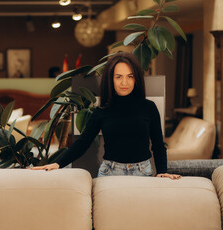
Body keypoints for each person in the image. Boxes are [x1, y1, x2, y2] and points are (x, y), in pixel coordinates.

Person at [32, 52, 181, 180]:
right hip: (110, 172)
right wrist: (57, 163)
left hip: (142, 172)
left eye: (130, 76)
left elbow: (158, 144)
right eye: (118, 77)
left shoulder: (149, 107)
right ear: (110, 79)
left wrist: (162, 172)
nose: (125, 82)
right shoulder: (101, 111)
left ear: (136, 79)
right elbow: (83, 142)